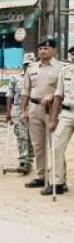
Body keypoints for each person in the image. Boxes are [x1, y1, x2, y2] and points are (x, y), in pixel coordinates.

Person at [21, 38, 66, 190]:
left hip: (53, 110)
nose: (43, 51)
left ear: (54, 51)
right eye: (40, 49)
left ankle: (59, 180)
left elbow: (65, 91)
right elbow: (25, 91)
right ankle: (40, 176)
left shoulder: (62, 68)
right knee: (38, 145)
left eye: (46, 48)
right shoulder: (32, 68)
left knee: (55, 145)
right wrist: (23, 110)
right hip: (34, 108)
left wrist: (52, 96)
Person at [47, 62, 74, 195]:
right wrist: (53, 119)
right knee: (56, 147)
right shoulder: (65, 71)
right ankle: (57, 183)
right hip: (67, 114)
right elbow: (58, 96)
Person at [5, 54, 34, 174]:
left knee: (32, 136)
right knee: (21, 135)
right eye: (26, 64)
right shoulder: (15, 78)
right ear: (23, 64)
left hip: (33, 107)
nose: (28, 66)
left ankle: (29, 161)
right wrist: (8, 112)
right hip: (17, 108)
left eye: (31, 64)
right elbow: (9, 95)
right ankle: (23, 161)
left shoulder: (38, 77)